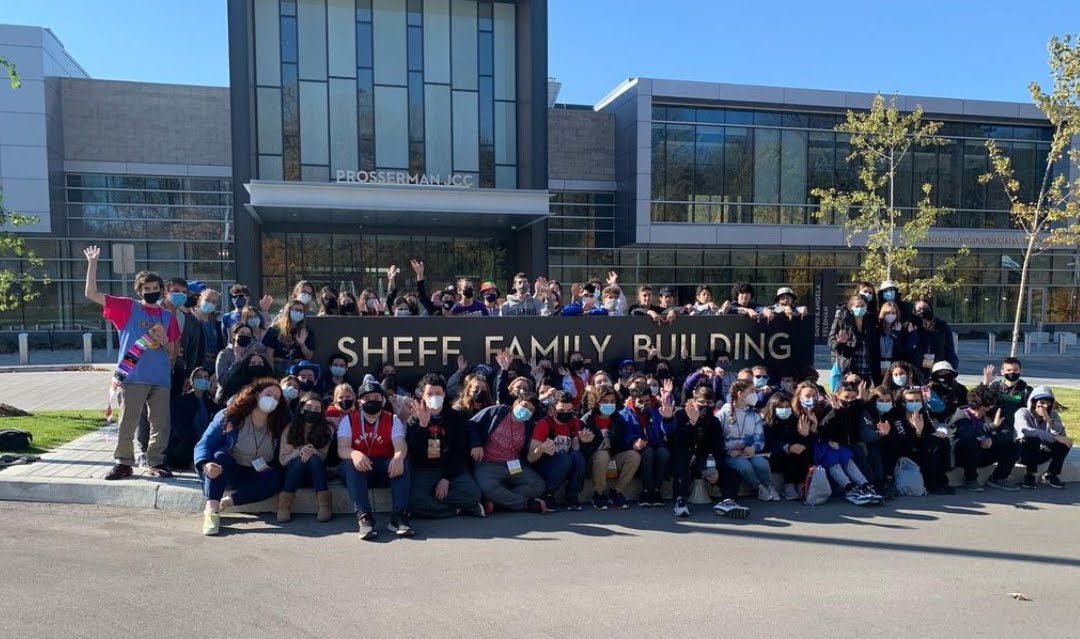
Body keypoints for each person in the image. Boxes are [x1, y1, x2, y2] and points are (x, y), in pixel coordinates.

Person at [84, 246, 180, 480]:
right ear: (139, 290)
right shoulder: (127, 307)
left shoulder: (168, 316)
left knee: (161, 424)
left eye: (156, 289)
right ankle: (124, 462)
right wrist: (92, 263)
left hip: (159, 378)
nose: (152, 292)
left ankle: (156, 462)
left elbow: (174, 349)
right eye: (147, 289)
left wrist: (164, 342)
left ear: (161, 291)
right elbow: (91, 293)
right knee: (128, 422)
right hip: (133, 375)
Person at [194, 378, 288, 536]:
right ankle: (211, 511)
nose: (272, 400)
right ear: (257, 395)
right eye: (268, 394)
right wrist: (204, 464)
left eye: (276, 398)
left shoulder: (280, 423)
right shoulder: (230, 416)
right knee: (218, 457)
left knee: (276, 478)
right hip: (229, 469)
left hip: (256, 471)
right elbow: (205, 443)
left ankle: (226, 503)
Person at [336, 381, 413, 540]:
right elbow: (342, 449)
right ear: (360, 402)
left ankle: (399, 516)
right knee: (351, 464)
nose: (372, 400)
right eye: (367, 397)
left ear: (383, 400)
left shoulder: (393, 419)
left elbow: (400, 444)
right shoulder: (349, 420)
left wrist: (398, 457)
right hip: (358, 469)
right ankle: (365, 518)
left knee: (401, 461)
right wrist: (355, 453)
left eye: (376, 397)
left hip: (382, 466)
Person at [405, 374, 484, 518]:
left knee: (472, 494)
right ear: (422, 396)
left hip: (450, 468)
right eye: (429, 394)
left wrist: (446, 478)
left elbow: (459, 451)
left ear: (444, 394)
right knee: (413, 502)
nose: (434, 397)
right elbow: (413, 450)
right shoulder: (414, 419)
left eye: (438, 393)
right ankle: (458, 510)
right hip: (425, 469)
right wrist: (422, 425)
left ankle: (437, 501)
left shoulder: (456, 417)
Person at [469, 390, 549, 513]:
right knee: (486, 487)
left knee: (538, 485)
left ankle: (497, 503)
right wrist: (476, 444)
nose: (526, 411)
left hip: (514, 465)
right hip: (489, 463)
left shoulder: (529, 426)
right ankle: (526, 504)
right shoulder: (497, 411)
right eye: (524, 406)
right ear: (516, 403)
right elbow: (472, 424)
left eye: (531, 410)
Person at [817, 382, 883, 505]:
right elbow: (823, 429)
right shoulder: (828, 408)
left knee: (846, 458)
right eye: (846, 397)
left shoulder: (855, 406)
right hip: (826, 445)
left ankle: (865, 485)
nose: (849, 401)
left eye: (853, 397)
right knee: (833, 460)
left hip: (841, 445)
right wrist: (835, 411)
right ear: (837, 395)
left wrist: (863, 398)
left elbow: (865, 406)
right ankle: (849, 488)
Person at [949, 385, 1021, 492]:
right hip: (963, 457)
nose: (989, 408)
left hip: (982, 454)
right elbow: (967, 434)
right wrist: (991, 426)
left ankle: (998, 477)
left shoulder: (989, 415)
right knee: (970, 442)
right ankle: (971, 479)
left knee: (1014, 445)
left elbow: (1006, 434)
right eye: (986, 406)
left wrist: (992, 439)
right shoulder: (960, 416)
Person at [717, 380, 780, 501]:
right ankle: (758, 488)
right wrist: (728, 451)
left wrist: (754, 448)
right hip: (730, 454)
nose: (755, 394)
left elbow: (760, 438)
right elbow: (716, 439)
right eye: (752, 391)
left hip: (748, 452)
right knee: (744, 466)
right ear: (740, 394)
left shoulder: (755, 414)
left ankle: (768, 485)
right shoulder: (723, 414)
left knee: (762, 463)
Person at [277, 392, 334, 523]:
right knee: (300, 460)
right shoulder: (290, 428)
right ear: (302, 408)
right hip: (293, 472)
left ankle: (325, 505)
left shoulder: (327, 429)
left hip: (316, 472)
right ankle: (284, 506)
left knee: (313, 458)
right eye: (308, 407)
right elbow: (283, 459)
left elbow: (323, 456)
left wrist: (313, 451)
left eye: (316, 409)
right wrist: (299, 451)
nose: (312, 411)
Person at [578, 385, 638, 510]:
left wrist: (634, 444)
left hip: (612, 460)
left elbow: (621, 444)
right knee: (602, 455)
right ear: (596, 402)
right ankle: (598, 493)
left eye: (612, 402)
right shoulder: (586, 421)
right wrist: (585, 443)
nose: (609, 405)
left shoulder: (618, 420)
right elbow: (582, 453)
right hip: (593, 462)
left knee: (634, 456)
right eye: (605, 402)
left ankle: (617, 491)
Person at [619, 374, 675, 506]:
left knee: (663, 452)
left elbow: (667, 432)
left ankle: (656, 490)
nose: (645, 404)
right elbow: (623, 437)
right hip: (639, 452)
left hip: (657, 446)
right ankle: (646, 491)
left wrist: (667, 419)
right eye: (641, 402)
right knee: (648, 452)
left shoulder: (657, 410)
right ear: (633, 401)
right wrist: (634, 442)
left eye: (647, 401)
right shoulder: (625, 414)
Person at [530, 391, 587, 510]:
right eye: (561, 411)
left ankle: (572, 496)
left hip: (564, 462)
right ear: (552, 409)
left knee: (578, 457)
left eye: (569, 410)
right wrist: (541, 448)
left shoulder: (574, 423)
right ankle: (547, 495)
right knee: (565, 459)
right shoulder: (544, 424)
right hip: (545, 463)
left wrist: (584, 441)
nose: (566, 414)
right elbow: (531, 457)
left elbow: (575, 448)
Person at [1014, 385, 1072, 489]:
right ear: (1034, 402)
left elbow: (1061, 435)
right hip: (1024, 453)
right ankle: (1030, 474)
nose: (1044, 406)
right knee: (1033, 439)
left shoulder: (1053, 415)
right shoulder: (1022, 412)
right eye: (1041, 403)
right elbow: (1026, 432)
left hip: (1041, 452)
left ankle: (1051, 474)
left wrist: (1049, 421)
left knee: (1064, 443)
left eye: (1047, 403)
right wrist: (1053, 437)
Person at [763, 391, 814, 500]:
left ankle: (800, 484)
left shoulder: (795, 421)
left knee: (803, 452)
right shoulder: (768, 423)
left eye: (787, 406)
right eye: (781, 407)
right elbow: (769, 443)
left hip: (795, 455)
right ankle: (789, 486)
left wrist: (805, 435)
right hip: (776, 456)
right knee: (790, 454)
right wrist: (787, 447)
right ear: (773, 408)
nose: (785, 409)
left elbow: (807, 443)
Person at [165, 368, 218, 470]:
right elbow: (178, 427)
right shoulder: (181, 401)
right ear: (191, 381)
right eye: (199, 377)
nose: (203, 380)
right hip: (184, 445)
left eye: (206, 377)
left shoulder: (211, 404)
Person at [829, 293, 880, 382]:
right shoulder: (843, 321)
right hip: (849, 369)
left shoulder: (872, 321)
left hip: (866, 368)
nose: (860, 308)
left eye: (862, 306)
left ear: (867, 306)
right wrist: (840, 342)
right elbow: (831, 342)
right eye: (857, 306)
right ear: (851, 307)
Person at [263, 298, 315, 376]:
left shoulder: (307, 330)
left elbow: (309, 356)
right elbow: (269, 354)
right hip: (279, 365)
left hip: (297, 366)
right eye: (296, 310)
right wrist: (272, 372)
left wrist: (302, 344)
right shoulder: (274, 329)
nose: (299, 312)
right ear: (288, 311)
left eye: (301, 311)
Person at [985, 356, 1032, 435]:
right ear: (1002, 372)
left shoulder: (1026, 390)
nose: (1012, 373)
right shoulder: (995, 387)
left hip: (1015, 431)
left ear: (1020, 371)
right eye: (1008, 370)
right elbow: (979, 401)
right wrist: (985, 384)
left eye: (1015, 370)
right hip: (993, 427)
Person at [911, 299, 958, 376]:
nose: (922, 311)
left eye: (925, 308)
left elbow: (950, 350)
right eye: (919, 309)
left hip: (938, 367)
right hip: (917, 368)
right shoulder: (911, 326)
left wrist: (952, 368)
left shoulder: (942, 326)